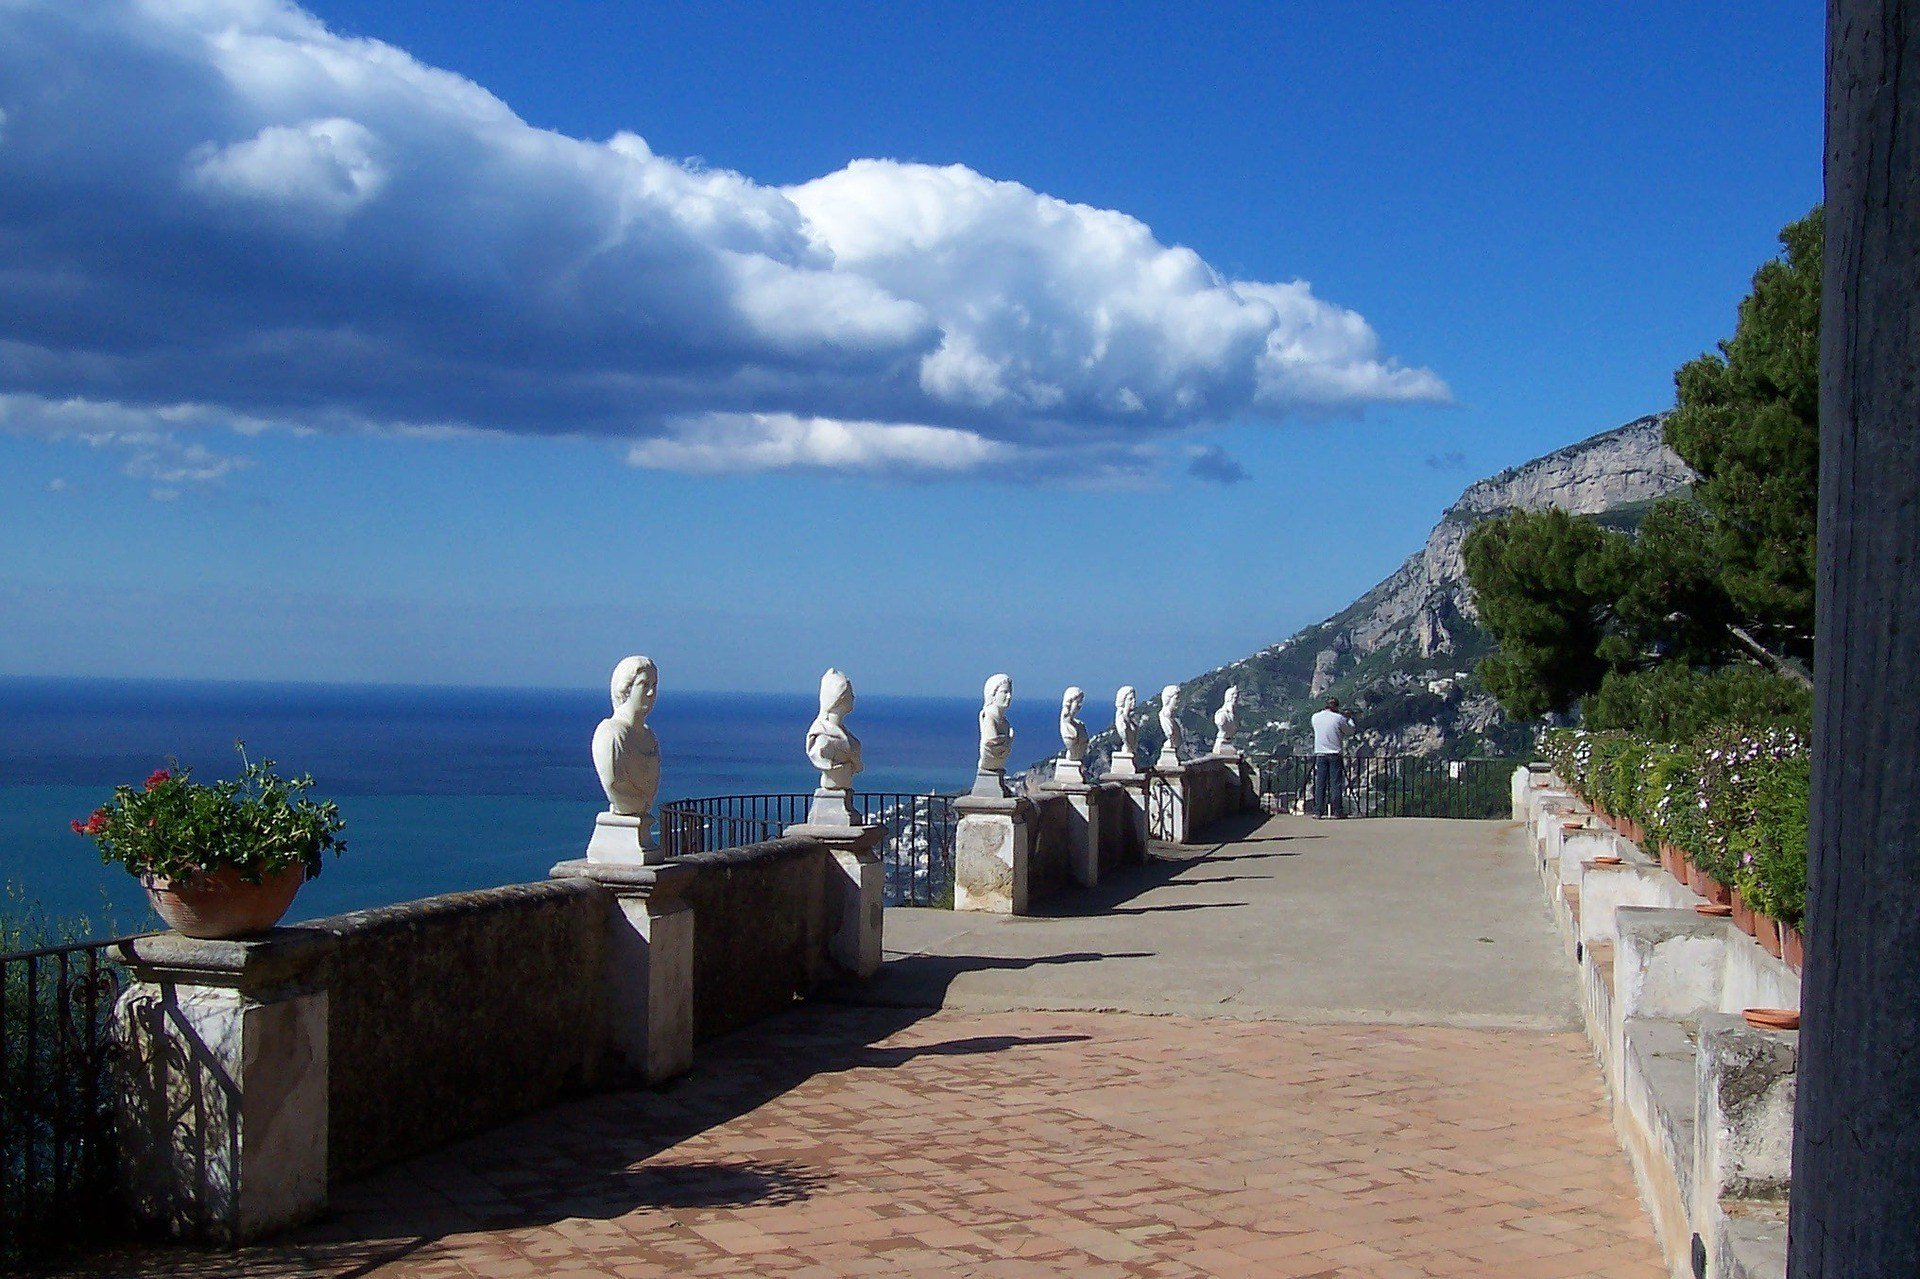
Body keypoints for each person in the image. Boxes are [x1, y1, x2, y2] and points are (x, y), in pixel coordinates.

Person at [1309, 697, 1356, 818]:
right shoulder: (1339, 718)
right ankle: (1337, 811)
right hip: (1334, 754)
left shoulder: (1315, 717)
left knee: (1320, 784)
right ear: (1336, 706)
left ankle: (1318, 811)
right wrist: (1349, 719)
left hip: (1320, 753)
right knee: (1336, 784)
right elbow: (1350, 731)